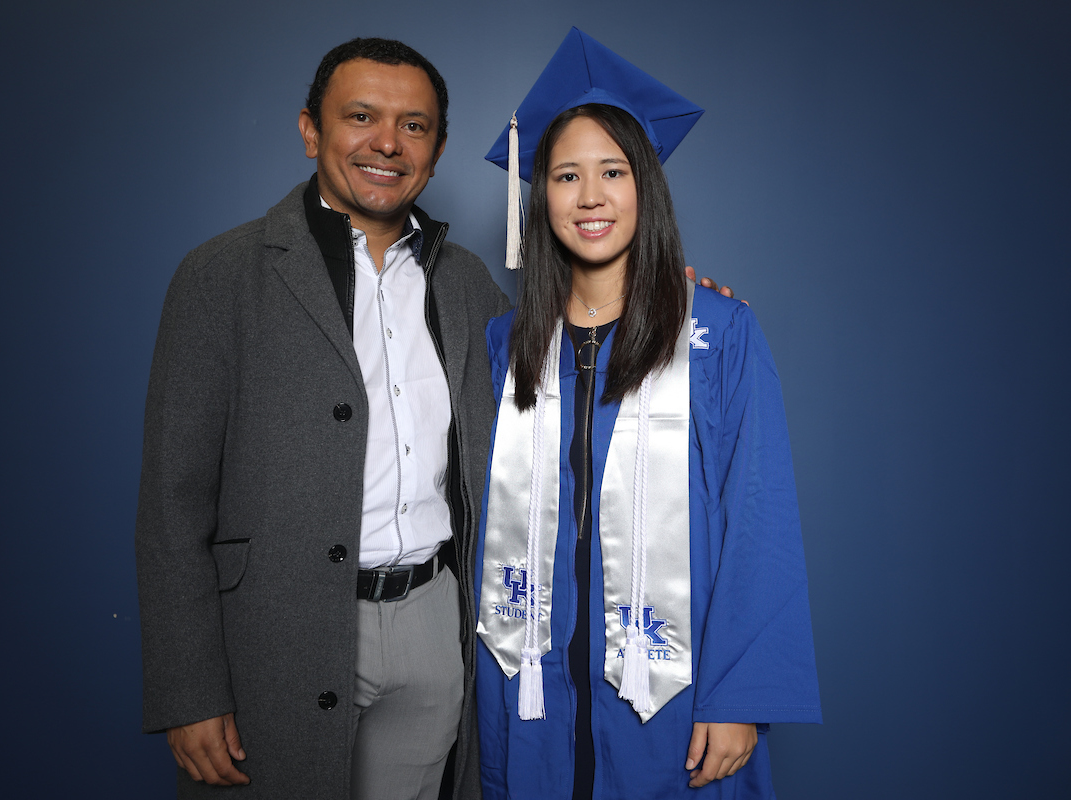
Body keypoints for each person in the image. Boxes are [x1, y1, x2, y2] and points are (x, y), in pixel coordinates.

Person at [135, 37, 509, 800]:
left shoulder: (469, 285)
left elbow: (561, 385)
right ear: (311, 130)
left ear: (436, 152)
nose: (387, 143)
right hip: (277, 627)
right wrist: (188, 689)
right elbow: (172, 501)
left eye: (414, 125)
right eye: (362, 116)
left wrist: (677, 304)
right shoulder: (220, 276)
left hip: (433, 620)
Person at [473, 29, 821, 799]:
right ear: (540, 196)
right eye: (566, 175)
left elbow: (756, 520)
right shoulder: (506, 345)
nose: (590, 196)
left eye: (613, 172)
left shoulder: (718, 334)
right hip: (530, 686)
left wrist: (740, 701)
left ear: (646, 187)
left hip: (675, 691)